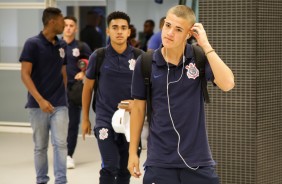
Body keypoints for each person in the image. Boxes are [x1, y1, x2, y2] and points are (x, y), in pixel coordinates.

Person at [128, 5, 235, 184]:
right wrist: (133, 153)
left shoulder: (198, 57)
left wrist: (206, 45)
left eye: (178, 29)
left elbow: (228, 84)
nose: (170, 33)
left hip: (197, 161)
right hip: (159, 161)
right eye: (168, 25)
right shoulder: (146, 62)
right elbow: (138, 109)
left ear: (188, 34)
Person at [81, 11, 143, 184]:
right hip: (105, 120)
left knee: (126, 170)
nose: (119, 31)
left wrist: (136, 105)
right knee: (110, 166)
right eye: (115, 28)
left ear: (129, 31)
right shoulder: (98, 56)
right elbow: (88, 88)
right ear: (108, 31)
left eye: (123, 28)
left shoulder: (139, 57)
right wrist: (85, 118)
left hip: (132, 122)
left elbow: (149, 90)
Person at [19, 7, 69, 184]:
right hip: (37, 105)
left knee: (61, 145)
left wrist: (63, 94)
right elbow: (25, 74)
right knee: (40, 147)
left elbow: (63, 72)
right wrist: (40, 100)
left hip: (60, 105)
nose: (65, 24)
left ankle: (61, 181)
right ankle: (41, 180)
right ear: (52, 21)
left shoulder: (62, 45)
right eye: (62, 21)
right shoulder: (32, 44)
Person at [63, 15, 92, 169]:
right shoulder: (55, 45)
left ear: (75, 28)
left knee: (73, 123)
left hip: (74, 89)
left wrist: (84, 72)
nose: (68, 28)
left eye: (71, 25)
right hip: (56, 90)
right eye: (65, 25)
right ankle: (59, 153)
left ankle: (69, 155)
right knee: (57, 123)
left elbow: (90, 63)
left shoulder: (81, 46)